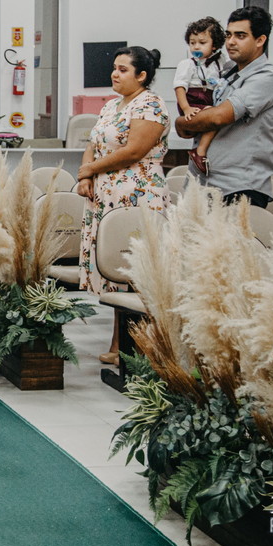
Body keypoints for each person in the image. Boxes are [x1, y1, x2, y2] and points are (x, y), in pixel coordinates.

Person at [75, 46, 169, 364]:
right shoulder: (111, 105)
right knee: (117, 271)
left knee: (138, 271)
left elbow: (134, 151)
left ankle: (144, 348)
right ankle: (119, 344)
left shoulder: (150, 104)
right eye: (114, 68)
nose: (115, 74)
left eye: (123, 69)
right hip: (107, 195)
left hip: (138, 194)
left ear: (141, 75)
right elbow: (93, 144)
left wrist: (90, 169)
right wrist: (86, 175)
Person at [174, 6, 273, 208]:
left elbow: (218, 117)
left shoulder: (267, 77)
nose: (231, 42)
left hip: (238, 188)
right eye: (228, 35)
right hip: (203, 184)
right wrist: (189, 122)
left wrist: (181, 123)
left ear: (260, 40)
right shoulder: (227, 71)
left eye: (240, 36)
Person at [171, 16, 229, 174]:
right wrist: (186, 108)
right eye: (192, 43)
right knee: (214, 117)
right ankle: (200, 151)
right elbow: (179, 88)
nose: (196, 46)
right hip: (192, 100)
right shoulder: (187, 64)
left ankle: (202, 151)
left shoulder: (220, 62)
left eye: (202, 43)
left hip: (209, 99)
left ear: (214, 45)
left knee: (218, 119)